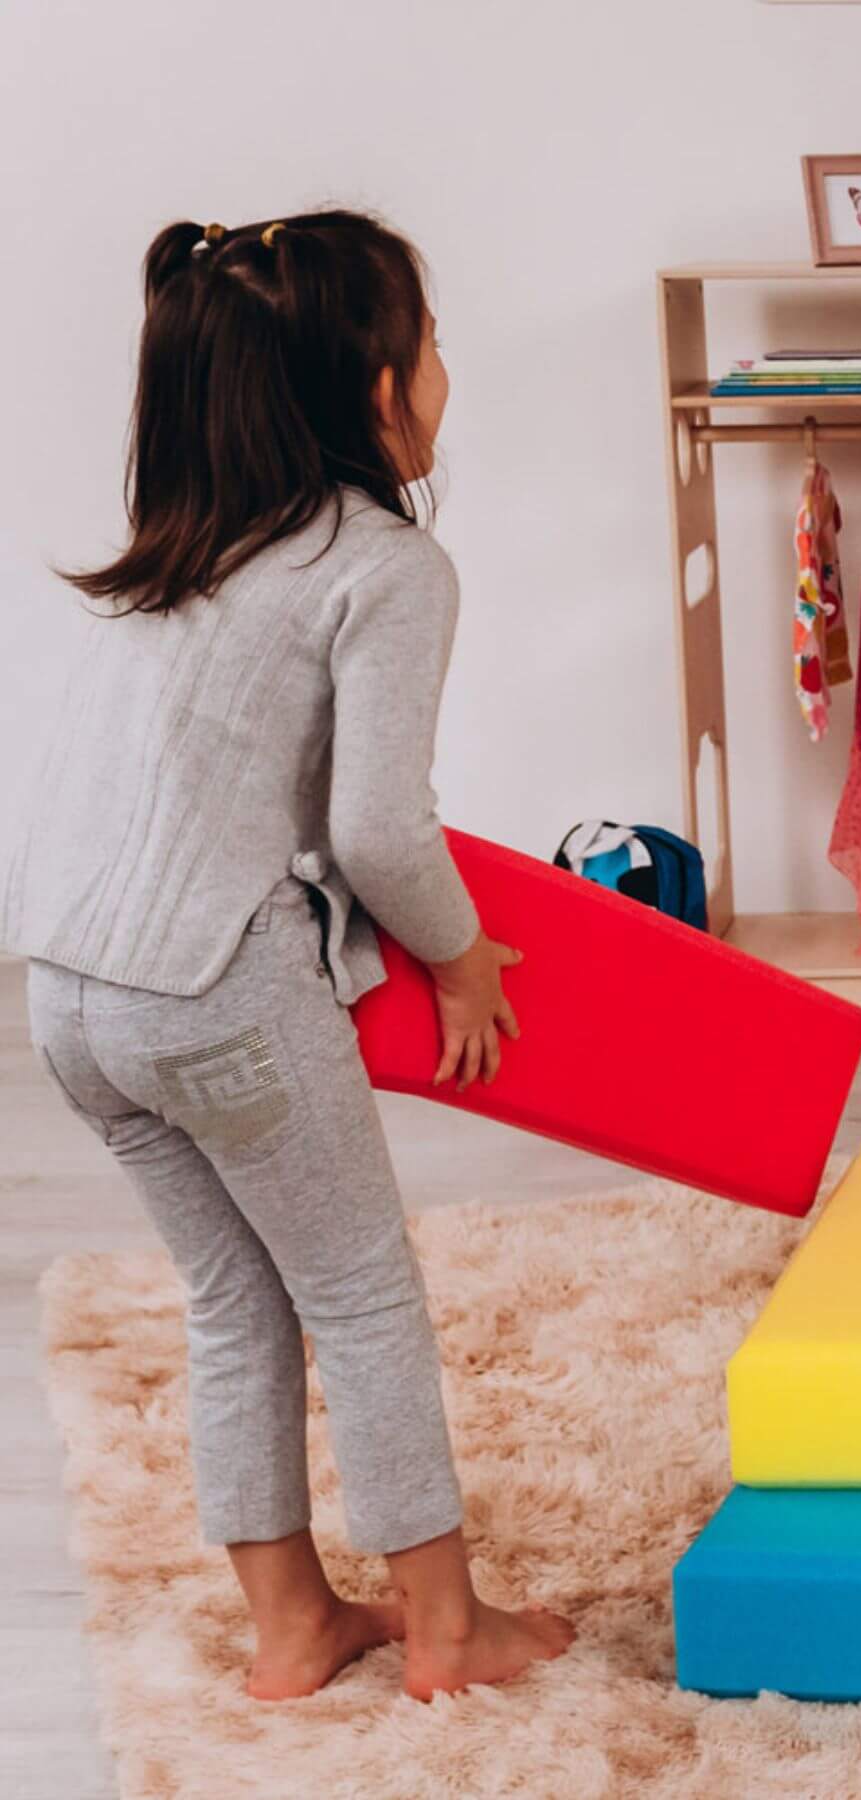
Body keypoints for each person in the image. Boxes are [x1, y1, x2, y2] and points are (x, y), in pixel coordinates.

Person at [0, 210, 574, 1700]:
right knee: (361, 1291)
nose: (445, 366)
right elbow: (381, 830)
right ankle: (448, 1631)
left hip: (66, 991)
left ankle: (290, 1626)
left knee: (231, 1297)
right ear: (380, 392)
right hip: (214, 989)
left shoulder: (180, 551)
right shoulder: (381, 565)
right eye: (431, 342)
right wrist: (459, 961)